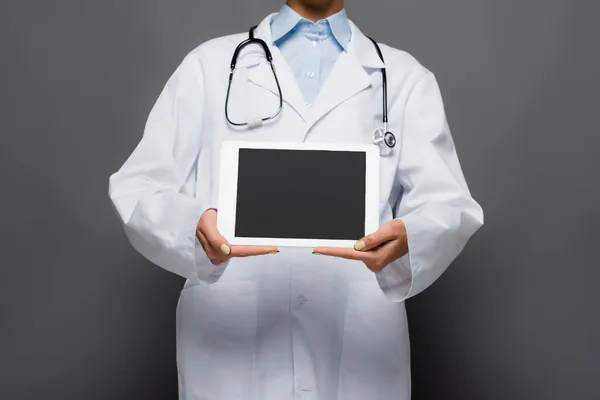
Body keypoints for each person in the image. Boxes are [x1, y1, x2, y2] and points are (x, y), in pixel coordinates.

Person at [108, 0, 484, 399]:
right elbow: (140, 185)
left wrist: (410, 236)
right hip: (229, 336)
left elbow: (449, 205)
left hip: (359, 342)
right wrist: (192, 225)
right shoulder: (208, 66)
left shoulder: (404, 77)